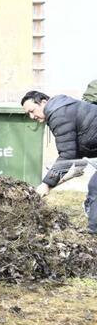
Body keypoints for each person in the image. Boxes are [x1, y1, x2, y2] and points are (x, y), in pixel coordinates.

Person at [20, 90, 97, 234]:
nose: (32, 116)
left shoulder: (58, 114)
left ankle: (94, 236)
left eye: (32, 111)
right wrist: (74, 170)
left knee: (95, 189)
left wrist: (46, 184)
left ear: (43, 102)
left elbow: (67, 154)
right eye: (28, 114)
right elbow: (77, 146)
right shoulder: (61, 109)